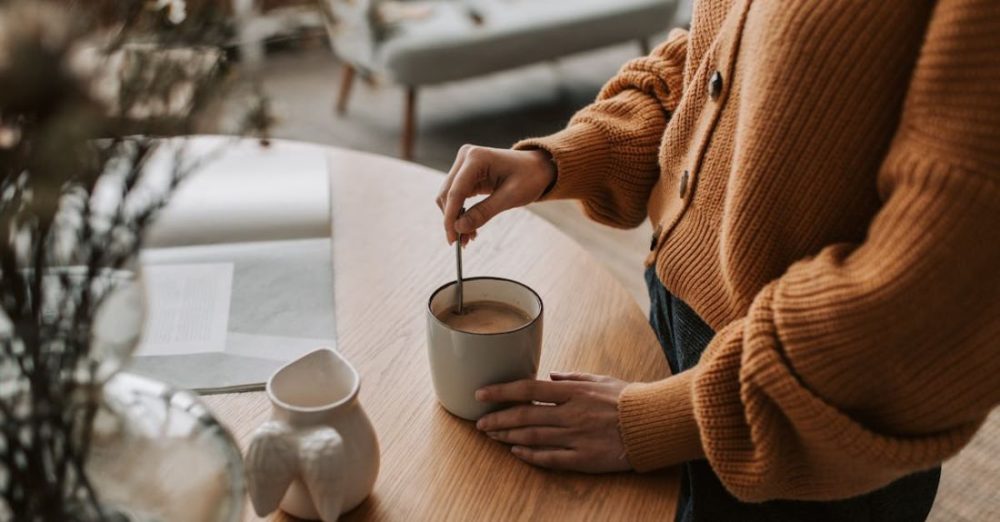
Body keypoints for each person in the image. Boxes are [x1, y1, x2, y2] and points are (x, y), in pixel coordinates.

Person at [435, 0, 1000, 520]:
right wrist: (566, 156)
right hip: (675, 327)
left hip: (806, 421)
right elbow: (715, 54)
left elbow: (938, 293)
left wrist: (674, 419)